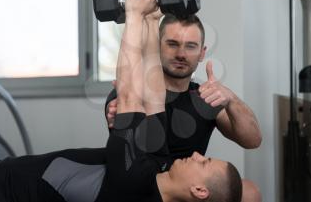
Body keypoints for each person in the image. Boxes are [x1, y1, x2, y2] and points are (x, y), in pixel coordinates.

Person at [0, 0, 242, 202]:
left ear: (199, 191)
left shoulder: (135, 183)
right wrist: (152, 21)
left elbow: (130, 95)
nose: (198, 155)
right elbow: (152, 96)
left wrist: (134, 14)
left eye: (205, 162)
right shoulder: (159, 168)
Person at [105, 11, 262, 201]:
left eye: (191, 46)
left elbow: (253, 140)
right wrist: (117, 110)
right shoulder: (137, 92)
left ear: (202, 53)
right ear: (157, 46)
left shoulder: (205, 97)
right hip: (145, 188)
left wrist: (230, 98)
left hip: (189, 189)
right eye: (172, 44)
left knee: (250, 192)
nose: (181, 54)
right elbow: (122, 121)